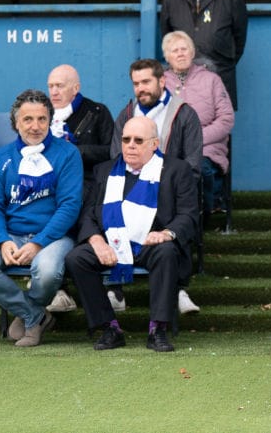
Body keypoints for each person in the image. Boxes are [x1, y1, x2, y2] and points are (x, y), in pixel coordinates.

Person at [65, 117, 198, 352]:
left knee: (167, 252)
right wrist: (97, 241)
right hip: (112, 242)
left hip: (151, 242)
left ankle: (158, 329)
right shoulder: (105, 170)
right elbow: (88, 214)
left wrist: (167, 233)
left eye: (138, 140)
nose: (130, 146)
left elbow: (188, 215)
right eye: (126, 140)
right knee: (77, 258)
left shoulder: (177, 170)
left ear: (154, 144)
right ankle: (109, 328)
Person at [111, 59, 202, 314]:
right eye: (136, 83)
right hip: (130, 191)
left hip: (170, 192)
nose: (141, 88)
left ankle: (178, 289)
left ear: (162, 81)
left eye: (146, 82)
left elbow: (193, 164)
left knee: (176, 215)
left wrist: (163, 186)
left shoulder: (184, 113)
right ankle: (115, 289)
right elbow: (116, 158)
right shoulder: (127, 115)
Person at [0, 90, 83, 347]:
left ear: (50, 121)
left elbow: (69, 206)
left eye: (42, 119)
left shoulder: (68, 154)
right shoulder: (2, 157)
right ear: (16, 123)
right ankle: (34, 315)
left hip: (54, 236)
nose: (35, 126)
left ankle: (28, 315)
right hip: (12, 234)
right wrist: (2, 240)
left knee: (46, 272)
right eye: (28, 119)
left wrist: (38, 243)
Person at [45, 64, 115, 313]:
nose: (54, 91)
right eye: (51, 86)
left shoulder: (97, 112)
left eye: (59, 86)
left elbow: (111, 151)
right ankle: (58, 289)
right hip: (49, 183)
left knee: (72, 208)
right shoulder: (42, 115)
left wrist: (75, 151)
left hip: (89, 182)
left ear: (75, 88)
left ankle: (110, 286)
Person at [160, 0, 248, 110]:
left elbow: (239, 41)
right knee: (183, 124)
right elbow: (167, 39)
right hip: (181, 84)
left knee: (219, 123)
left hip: (220, 77)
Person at [162, 31, 234, 215]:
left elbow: (226, 118)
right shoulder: (161, 83)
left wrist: (197, 139)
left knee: (199, 168)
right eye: (175, 50)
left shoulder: (212, 80)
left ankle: (202, 214)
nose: (180, 54)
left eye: (184, 49)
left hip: (207, 146)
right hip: (170, 146)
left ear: (192, 52)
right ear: (167, 57)